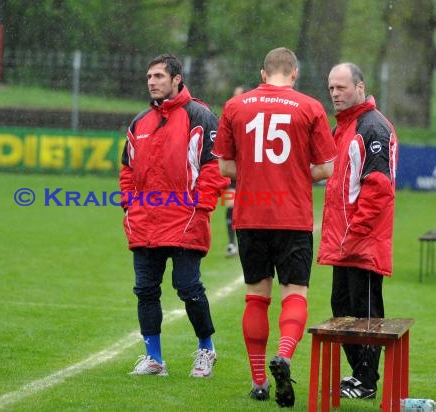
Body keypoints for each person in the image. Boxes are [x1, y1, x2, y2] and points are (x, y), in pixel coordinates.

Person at [213, 47, 336, 407]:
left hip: (250, 216)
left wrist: (256, 174)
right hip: (293, 216)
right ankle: (283, 355)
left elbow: (224, 168)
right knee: (294, 294)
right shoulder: (310, 107)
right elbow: (326, 169)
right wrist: (293, 175)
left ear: (263, 74)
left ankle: (258, 382)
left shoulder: (236, 106)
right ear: (294, 74)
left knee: (256, 297)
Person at [119, 53, 229, 378]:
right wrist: (130, 204)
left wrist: (201, 205)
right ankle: (154, 358)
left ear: (177, 79)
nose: (152, 82)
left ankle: (206, 350)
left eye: (159, 76)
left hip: (185, 221)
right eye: (149, 77)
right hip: (145, 222)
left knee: (188, 287)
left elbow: (216, 166)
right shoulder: (139, 121)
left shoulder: (201, 116)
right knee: (146, 290)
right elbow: (127, 168)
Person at [317, 63, 398, 400]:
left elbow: (378, 190)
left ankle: (365, 381)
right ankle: (361, 376)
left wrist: (354, 234)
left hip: (362, 242)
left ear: (360, 88)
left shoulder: (373, 128)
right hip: (344, 240)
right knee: (341, 308)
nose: (335, 94)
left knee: (365, 313)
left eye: (342, 88)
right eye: (332, 88)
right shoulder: (345, 127)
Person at [224, 85, 249, 258]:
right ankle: (232, 243)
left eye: (238, 96)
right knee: (230, 204)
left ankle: (246, 242)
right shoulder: (229, 117)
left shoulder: (255, 119)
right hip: (232, 173)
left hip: (251, 175)